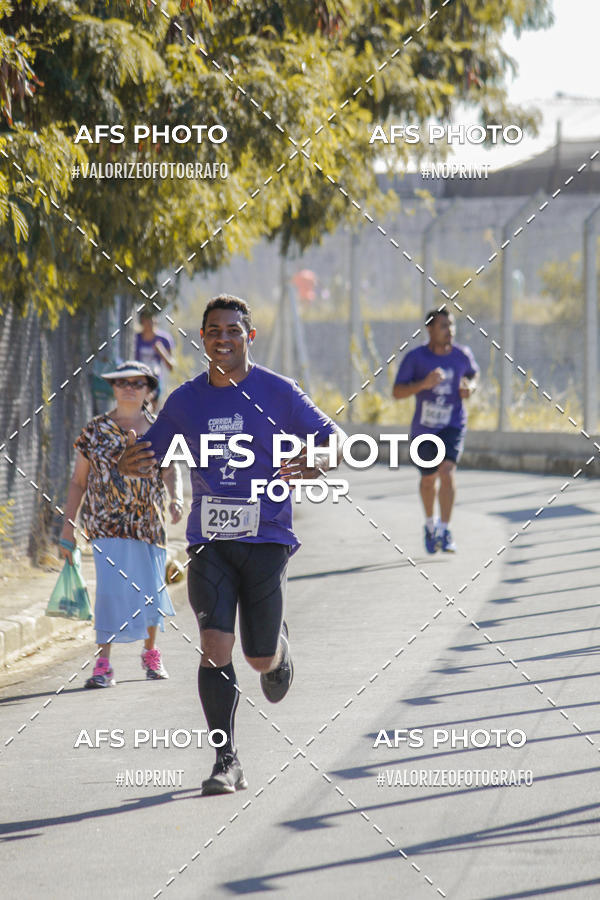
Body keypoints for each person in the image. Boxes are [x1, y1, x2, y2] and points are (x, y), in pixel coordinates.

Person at [118, 295, 345, 795]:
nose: (223, 338)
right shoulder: (186, 400)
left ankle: (277, 650)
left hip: (267, 538)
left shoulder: (279, 392)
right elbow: (153, 453)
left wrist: (317, 461)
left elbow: (335, 439)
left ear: (249, 337)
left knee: (258, 658)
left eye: (233, 330)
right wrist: (137, 461)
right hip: (210, 542)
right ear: (203, 339)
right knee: (215, 649)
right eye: (214, 331)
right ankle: (227, 760)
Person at [59, 361, 183, 688]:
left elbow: (171, 470)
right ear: (113, 388)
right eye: (121, 382)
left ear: (148, 390)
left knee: (151, 592)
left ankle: (151, 654)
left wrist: (176, 499)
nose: (129, 387)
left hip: (149, 524)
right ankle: (103, 664)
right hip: (106, 524)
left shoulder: (161, 428)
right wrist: (67, 527)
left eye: (137, 383)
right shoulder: (94, 430)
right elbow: (78, 481)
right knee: (111, 594)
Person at [392, 308, 478, 554]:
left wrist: (469, 387)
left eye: (451, 325)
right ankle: (430, 526)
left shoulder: (462, 355)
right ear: (429, 329)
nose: (449, 330)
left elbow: (473, 375)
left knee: (447, 471)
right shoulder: (416, 358)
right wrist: (424, 384)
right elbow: (397, 392)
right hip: (424, 429)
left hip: (452, 423)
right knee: (428, 479)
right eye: (443, 326)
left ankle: (445, 529)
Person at [134, 311, 175, 408]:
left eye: (152, 320)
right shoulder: (135, 339)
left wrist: (161, 351)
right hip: (137, 379)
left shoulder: (164, 339)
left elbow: (171, 366)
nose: (150, 324)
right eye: (146, 320)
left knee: (150, 411)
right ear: (142, 322)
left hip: (155, 380)